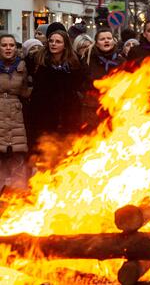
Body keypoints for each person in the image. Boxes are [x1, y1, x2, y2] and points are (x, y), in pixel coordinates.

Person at [27, 29, 84, 168]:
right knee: (45, 158)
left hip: (67, 118)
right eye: (51, 41)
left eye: (58, 42)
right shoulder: (38, 62)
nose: (53, 44)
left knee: (65, 159)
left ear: (65, 45)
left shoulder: (74, 64)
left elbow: (77, 88)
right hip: (43, 118)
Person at [0, 35, 30, 188]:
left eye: (11, 45)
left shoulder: (24, 67)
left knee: (17, 162)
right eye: (4, 45)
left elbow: (28, 90)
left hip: (17, 117)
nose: (8, 48)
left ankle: (18, 204)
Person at [81, 28, 125, 132]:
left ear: (113, 41)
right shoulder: (87, 61)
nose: (106, 41)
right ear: (96, 43)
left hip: (115, 109)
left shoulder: (122, 61)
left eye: (109, 38)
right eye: (102, 39)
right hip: (93, 110)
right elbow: (82, 84)